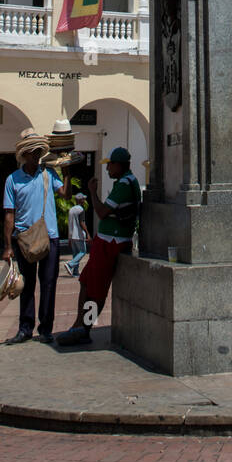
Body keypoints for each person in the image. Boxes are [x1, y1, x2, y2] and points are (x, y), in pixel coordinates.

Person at [56, 147, 142, 345]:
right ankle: (79, 323)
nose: (107, 169)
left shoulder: (125, 184)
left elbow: (102, 212)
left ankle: (84, 327)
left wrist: (93, 193)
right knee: (86, 281)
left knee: (97, 289)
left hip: (112, 242)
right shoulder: (125, 182)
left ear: (119, 165)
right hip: (105, 241)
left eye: (110, 165)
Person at [2, 128, 72, 345]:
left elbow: (65, 195)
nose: (34, 155)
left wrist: (67, 171)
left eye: (37, 151)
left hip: (49, 236)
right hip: (24, 238)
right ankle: (25, 328)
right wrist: (8, 246)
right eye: (31, 152)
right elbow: (8, 214)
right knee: (27, 285)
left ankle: (46, 328)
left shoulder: (48, 175)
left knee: (49, 283)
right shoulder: (13, 180)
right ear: (23, 155)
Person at [64, 191, 90, 278]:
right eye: (83, 199)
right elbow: (82, 223)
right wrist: (88, 234)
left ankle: (75, 272)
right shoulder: (81, 210)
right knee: (83, 251)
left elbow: (70, 224)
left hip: (73, 236)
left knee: (76, 254)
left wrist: (69, 238)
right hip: (79, 235)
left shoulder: (71, 210)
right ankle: (70, 265)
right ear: (80, 200)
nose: (84, 200)